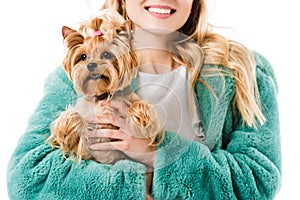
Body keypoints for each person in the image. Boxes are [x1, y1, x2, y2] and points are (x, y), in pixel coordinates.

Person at [7, 0, 281, 199]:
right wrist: (134, 188)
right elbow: (27, 177)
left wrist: (155, 151)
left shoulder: (240, 70)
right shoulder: (81, 73)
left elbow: (258, 179)